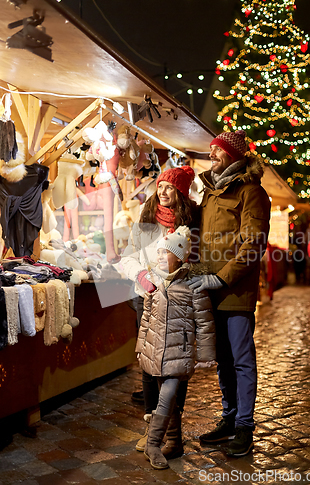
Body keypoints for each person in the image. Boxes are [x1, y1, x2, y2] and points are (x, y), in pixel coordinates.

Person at [188, 129, 271, 457]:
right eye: (211, 149)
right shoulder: (210, 191)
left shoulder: (251, 192)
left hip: (235, 292)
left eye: (218, 150)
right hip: (209, 289)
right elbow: (201, 237)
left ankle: (244, 426)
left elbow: (253, 245)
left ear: (233, 155)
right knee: (222, 359)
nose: (211, 155)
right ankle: (228, 418)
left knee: (240, 359)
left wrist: (221, 279)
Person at [120, 165, 199, 455]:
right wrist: (142, 277)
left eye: (170, 188)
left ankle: (171, 432)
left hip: (177, 300)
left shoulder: (190, 224)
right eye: (161, 186)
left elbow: (196, 263)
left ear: (180, 193)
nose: (164, 192)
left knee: (175, 365)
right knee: (149, 364)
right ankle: (152, 426)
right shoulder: (144, 220)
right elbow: (128, 256)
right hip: (147, 299)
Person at [136, 226, 216, 470]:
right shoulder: (154, 283)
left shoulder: (192, 286)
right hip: (155, 353)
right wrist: (141, 347)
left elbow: (204, 322)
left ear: (179, 258)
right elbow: (146, 318)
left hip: (178, 353)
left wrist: (205, 355)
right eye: (158, 253)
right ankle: (175, 442)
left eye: (165, 253)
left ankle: (153, 443)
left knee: (169, 394)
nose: (160, 257)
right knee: (167, 402)